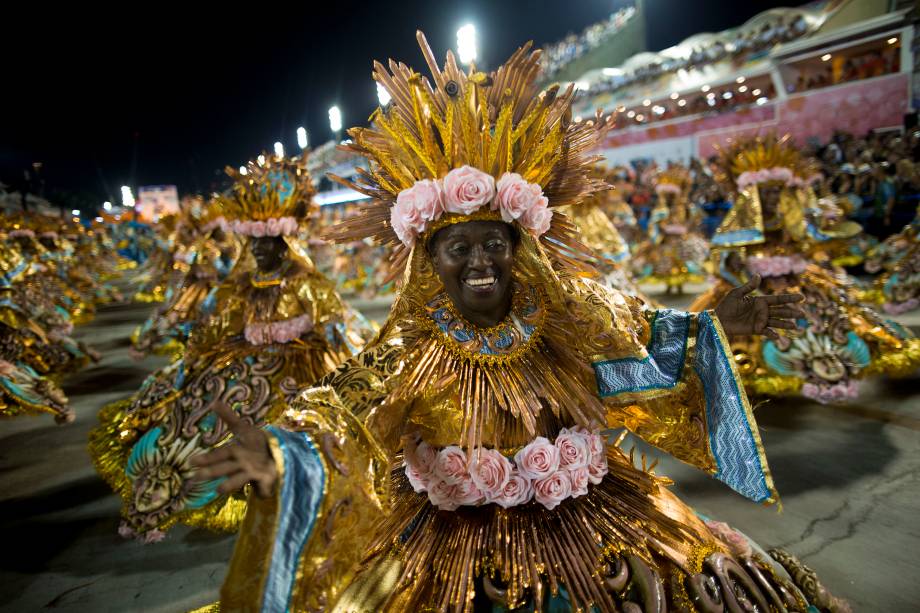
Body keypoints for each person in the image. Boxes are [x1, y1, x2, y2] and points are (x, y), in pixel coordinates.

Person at [191, 34, 848, 612]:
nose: (480, 260)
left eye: (494, 242)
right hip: (445, 538)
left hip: (590, 517)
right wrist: (284, 453)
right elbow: (347, 407)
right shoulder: (411, 349)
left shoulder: (569, 315)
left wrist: (716, 324)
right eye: (458, 247)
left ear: (519, 245)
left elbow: (644, 337)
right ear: (430, 261)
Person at [89, 153, 376, 540]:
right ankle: (161, 497)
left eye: (266, 243)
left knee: (283, 416)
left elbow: (332, 323)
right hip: (243, 359)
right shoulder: (240, 284)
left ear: (283, 242)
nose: (257, 251)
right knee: (195, 402)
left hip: (298, 361)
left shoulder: (306, 281)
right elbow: (222, 322)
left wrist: (299, 332)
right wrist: (199, 350)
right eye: (252, 243)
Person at [692, 134, 920, 404]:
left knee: (833, 313)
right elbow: (724, 254)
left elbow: (813, 240)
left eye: (778, 191)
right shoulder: (742, 221)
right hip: (755, 284)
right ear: (752, 194)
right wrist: (737, 265)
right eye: (768, 192)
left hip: (795, 279)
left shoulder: (792, 215)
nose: (774, 197)